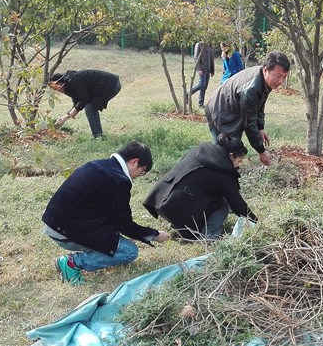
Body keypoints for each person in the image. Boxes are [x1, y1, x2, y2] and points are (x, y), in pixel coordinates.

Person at [42, 142, 170, 285]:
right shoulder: (118, 181)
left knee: (112, 239)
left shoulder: (97, 165)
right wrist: (154, 235)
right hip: (65, 232)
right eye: (142, 172)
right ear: (135, 162)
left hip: (54, 222)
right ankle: (72, 263)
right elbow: (124, 225)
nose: (138, 177)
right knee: (129, 251)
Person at [143, 134, 258, 241]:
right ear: (231, 156)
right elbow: (237, 204)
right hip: (177, 208)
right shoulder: (224, 173)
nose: (238, 165)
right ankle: (209, 237)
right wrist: (255, 221)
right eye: (239, 161)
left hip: (160, 200)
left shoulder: (197, 151)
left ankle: (180, 225)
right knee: (223, 205)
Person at [205, 51, 291, 167]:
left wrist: (260, 127)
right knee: (224, 154)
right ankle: (213, 174)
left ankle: (228, 172)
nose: (281, 81)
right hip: (220, 113)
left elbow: (259, 105)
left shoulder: (264, 79)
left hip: (233, 111)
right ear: (266, 70)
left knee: (233, 151)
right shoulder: (251, 88)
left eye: (284, 77)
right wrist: (261, 151)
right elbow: (249, 124)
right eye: (278, 76)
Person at [49, 70, 122, 138]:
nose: (57, 90)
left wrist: (74, 110)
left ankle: (98, 136)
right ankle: (98, 135)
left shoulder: (73, 80)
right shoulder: (67, 87)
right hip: (104, 86)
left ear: (60, 82)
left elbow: (85, 98)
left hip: (110, 83)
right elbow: (77, 102)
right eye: (54, 89)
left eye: (56, 87)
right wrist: (64, 118)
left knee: (90, 107)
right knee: (89, 106)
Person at [189, 41, 215, 108]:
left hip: (208, 69)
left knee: (204, 87)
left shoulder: (209, 45)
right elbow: (196, 57)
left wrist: (212, 70)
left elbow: (211, 58)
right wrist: (199, 69)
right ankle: (187, 94)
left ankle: (200, 104)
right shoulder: (199, 44)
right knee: (201, 84)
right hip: (202, 69)